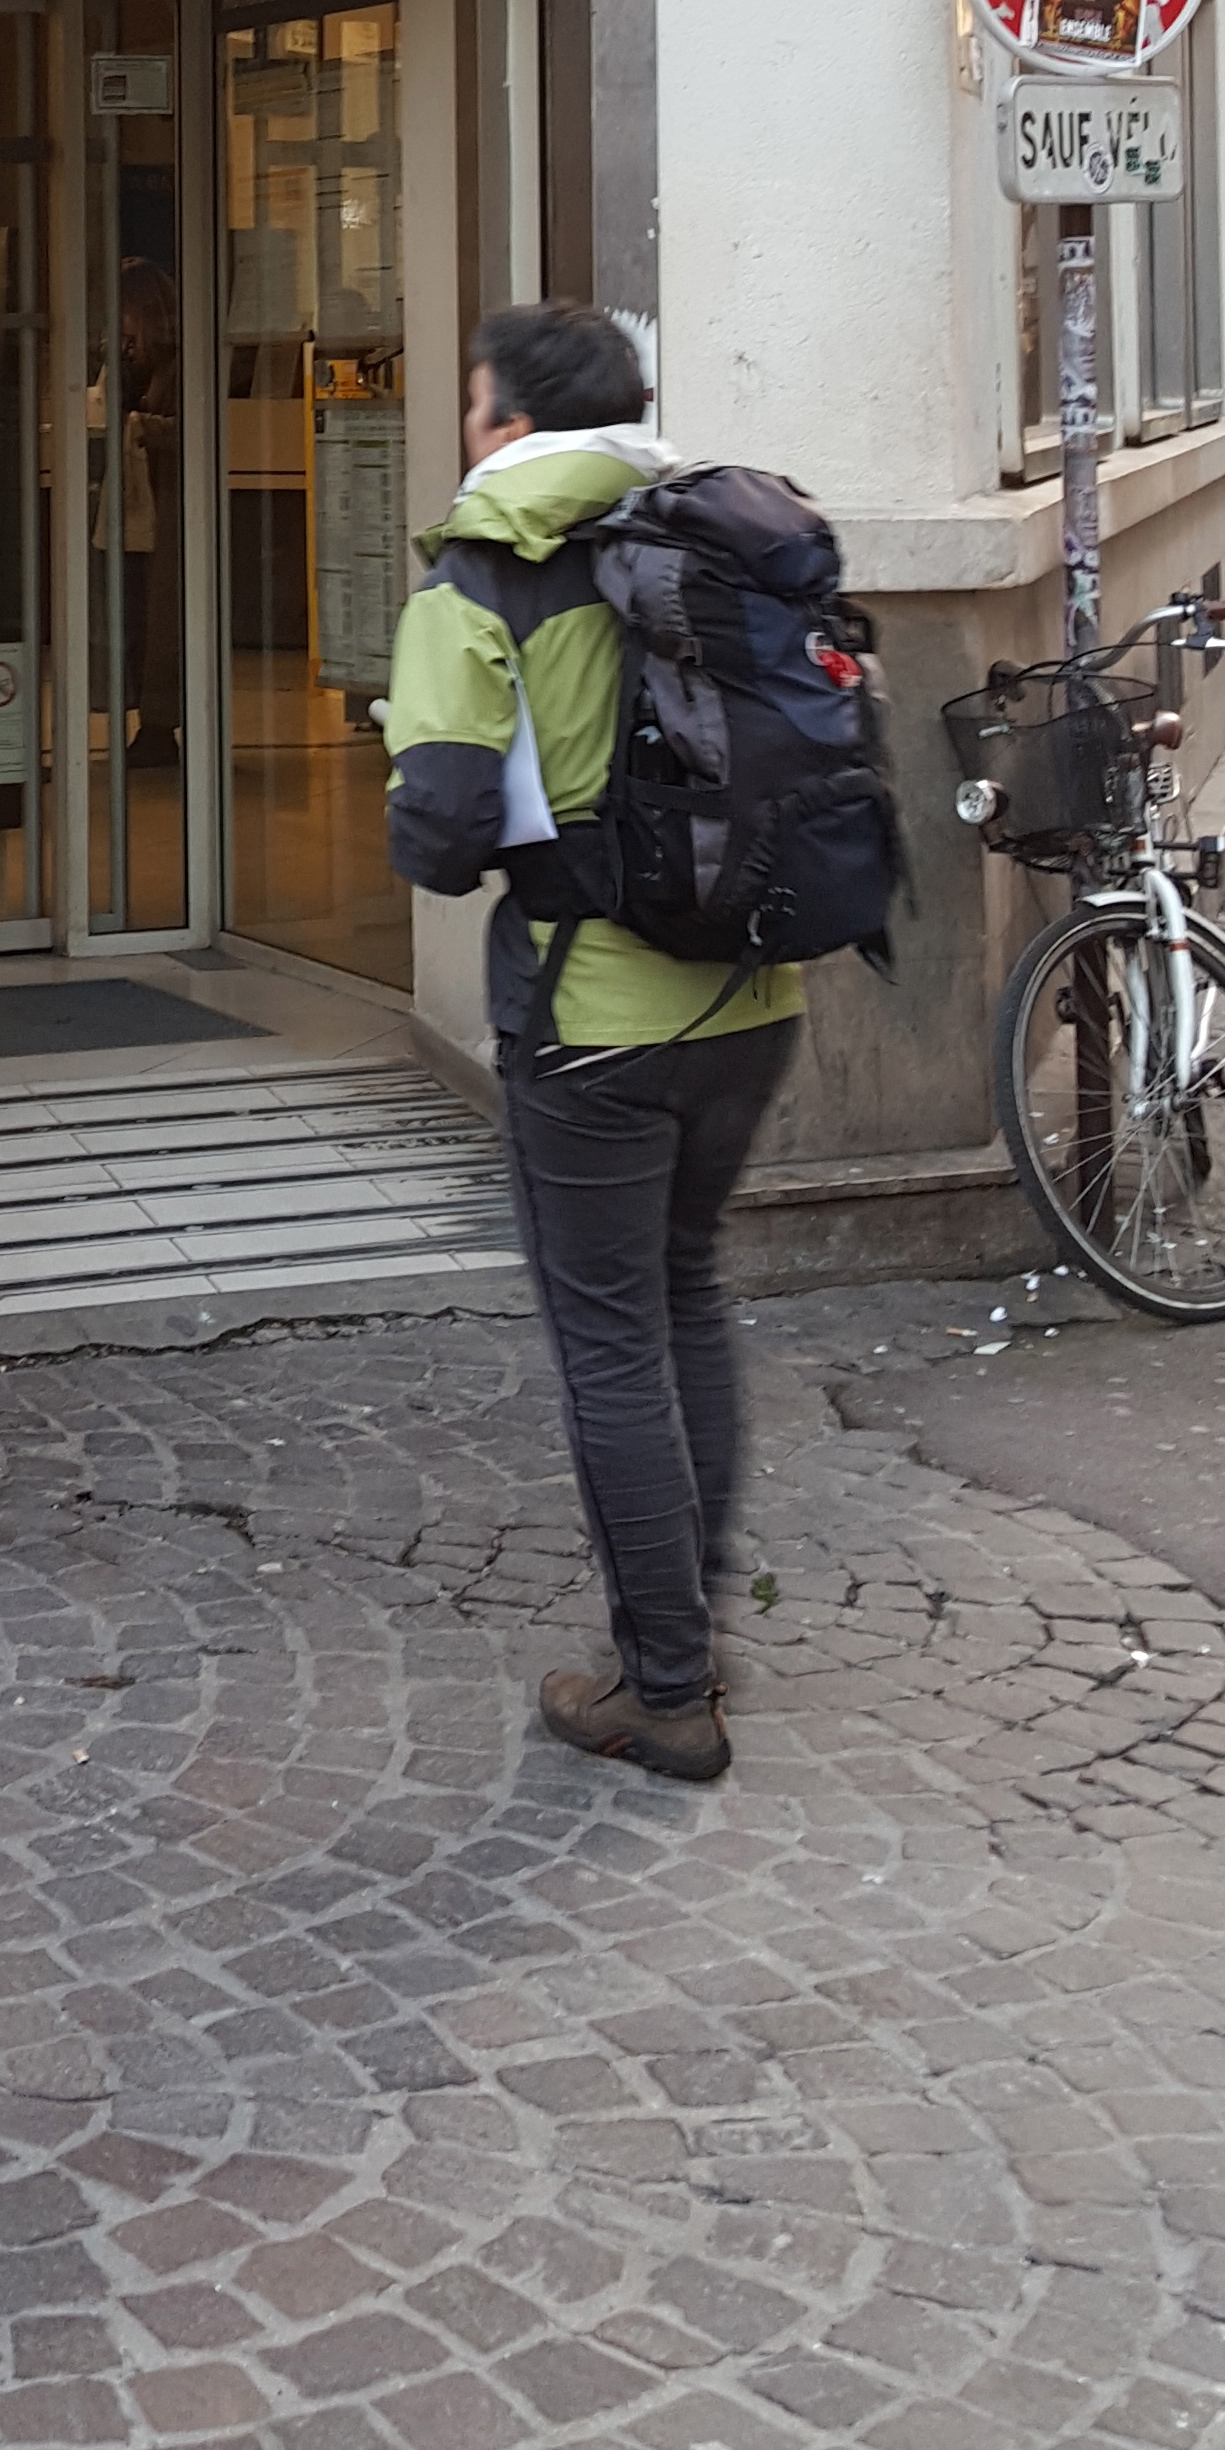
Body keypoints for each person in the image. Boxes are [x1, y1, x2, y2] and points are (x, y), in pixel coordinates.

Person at [383, 301, 800, 1785]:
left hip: (589, 1019)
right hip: (752, 1002)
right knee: (686, 1293)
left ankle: (666, 1688)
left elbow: (438, 836)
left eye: (472, 398)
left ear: (508, 423)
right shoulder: (712, 539)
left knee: (610, 1339)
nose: (463, 422)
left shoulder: (481, 575)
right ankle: (688, 1634)